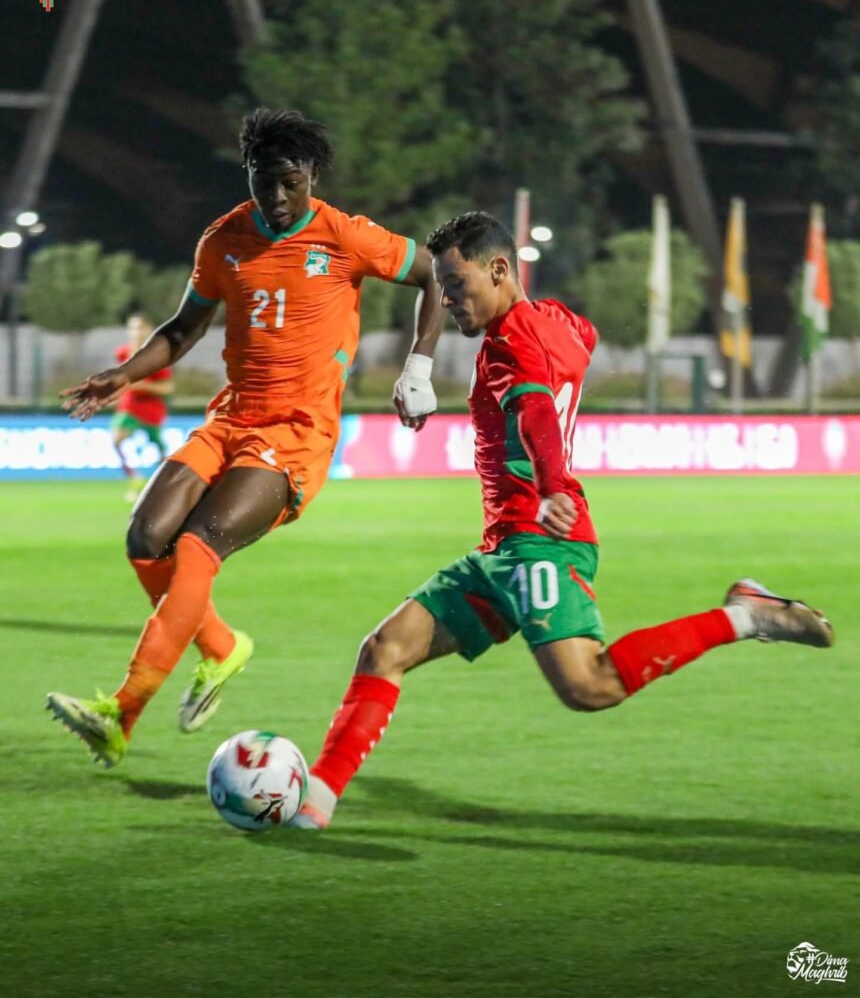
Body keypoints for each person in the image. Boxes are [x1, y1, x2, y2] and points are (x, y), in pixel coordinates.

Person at [290, 210, 835, 830]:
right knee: (384, 648)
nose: (448, 301)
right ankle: (315, 802)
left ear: (499, 270)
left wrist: (551, 485)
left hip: (540, 542)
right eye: (442, 289)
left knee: (590, 687)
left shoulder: (508, 342)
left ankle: (746, 615)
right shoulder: (555, 323)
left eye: (456, 286)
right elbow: (585, 337)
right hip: (503, 549)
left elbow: (535, 413)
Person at [46, 108, 445, 768]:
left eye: (291, 181)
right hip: (231, 417)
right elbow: (184, 327)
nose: (279, 197)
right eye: (265, 181)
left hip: (297, 431)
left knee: (199, 546)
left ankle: (121, 712)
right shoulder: (224, 238)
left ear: (313, 175)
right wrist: (122, 373)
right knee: (146, 537)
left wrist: (420, 365)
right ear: (249, 175)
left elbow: (432, 271)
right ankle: (222, 647)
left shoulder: (344, 234)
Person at [111, 312, 173, 501]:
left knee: (158, 449)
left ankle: (163, 483)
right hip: (130, 406)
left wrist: (143, 386)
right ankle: (134, 478)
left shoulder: (157, 356)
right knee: (117, 437)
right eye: (132, 327)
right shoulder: (122, 353)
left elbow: (167, 387)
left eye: (140, 327)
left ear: (148, 330)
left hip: (151, 409)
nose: (136, 332)